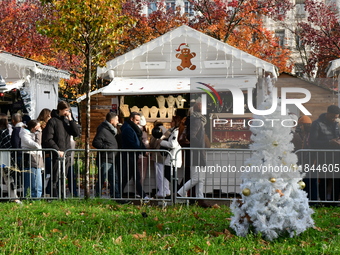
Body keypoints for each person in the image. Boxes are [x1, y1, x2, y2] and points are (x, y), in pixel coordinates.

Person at [42, 101, 80, 197]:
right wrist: (57, 150)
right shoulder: (53, 121)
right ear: (60, 109)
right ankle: (54, 196)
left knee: (64, 177)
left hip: (66, 154)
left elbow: (76, 133)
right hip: (57, 154)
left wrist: (71, 120)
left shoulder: (66, 121)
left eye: (68, 110)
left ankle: (62, 196)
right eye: (66, 110)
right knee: (55, 177)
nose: (67, 112)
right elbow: (48, 138)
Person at [309, 105, 340, 202]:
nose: (334, 119)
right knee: (324, 180)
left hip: (336, 157)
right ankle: (323, 201)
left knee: (337, 180)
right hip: (323, 157)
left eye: (336, 117)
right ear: (327, 113)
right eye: (332, 117)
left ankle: (335, 201)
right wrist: (329, 142)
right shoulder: (317, 124)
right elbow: (312, 142)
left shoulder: (336, 124)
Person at [177, 102, 206, 198]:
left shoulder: (198, 120)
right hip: (196, 152)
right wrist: (199, 145)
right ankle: (180, 193)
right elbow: (191, 135)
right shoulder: (197, 120)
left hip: (197, 152)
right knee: (196, 178)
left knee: (200, 178)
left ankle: (200, 198)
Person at [120, 112, 150, 200]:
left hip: (132, 155)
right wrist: (143, 151)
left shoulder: (132, 128)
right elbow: (132, 143)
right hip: (130, 155)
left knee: (127, 177)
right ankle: (143, 196)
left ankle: (117, 193)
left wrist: (144, 150)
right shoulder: (128, 129)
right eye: (137, 120)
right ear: (131, 119)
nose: (138, 122)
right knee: (135, 177)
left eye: (139, 120)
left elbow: (138, 142)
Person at [92, 112, 121, 199]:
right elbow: (96, 142)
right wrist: (107, 148)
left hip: (111, 158)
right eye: (116, 119)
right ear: (112, 121)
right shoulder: (103, 130)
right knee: (102, 179)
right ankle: (98, 196)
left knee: (113, 179)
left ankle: (115, 197)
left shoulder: (111, 130)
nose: (118, 121)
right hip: (106, 158)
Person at [20, 120, 44, 198]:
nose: (39, 129)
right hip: (30, 159)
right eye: (38, 127)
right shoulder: (24, 133)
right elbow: (36, 145)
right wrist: (38, 134)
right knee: (31, 183)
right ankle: (28, 199)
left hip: (38, 159)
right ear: (33, 128)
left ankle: (37, 199)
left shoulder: (35, 133)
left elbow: (39, 148)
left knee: (38, 184)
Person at [160, 115, 182, 197]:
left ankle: (179, 192)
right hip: (171, 157)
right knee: (170, 176)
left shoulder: (176, 131)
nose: (170, 123)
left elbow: (172, 144)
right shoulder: (172, 130)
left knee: (170, 175)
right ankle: (178, 192)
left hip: (173, 158)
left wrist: (161, 142)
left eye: (172, 121)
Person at [0, 113, 20, 203]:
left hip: (4, 155)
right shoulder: (6, 131)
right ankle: (14, 197)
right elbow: (8, 145)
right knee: (8, 178)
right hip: (5, 156)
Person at [150, 122, 171, 198]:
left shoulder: (155, 133)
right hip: (167, 156)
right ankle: (167, 190)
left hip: (158, 156)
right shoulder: (168, 132)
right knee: (166, 175)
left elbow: (152, 144)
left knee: (159, 174)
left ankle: (161, 191)